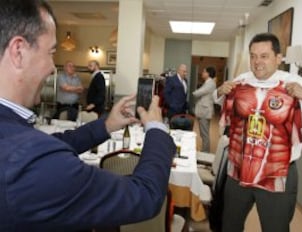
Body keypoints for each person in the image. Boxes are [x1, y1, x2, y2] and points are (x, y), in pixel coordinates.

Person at [0, 1, 176, 231]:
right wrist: (157, 129)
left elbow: (51, 146)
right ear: (19, 52)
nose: (53, 68)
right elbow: (144, 195)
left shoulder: (15, 137)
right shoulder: (31, 160)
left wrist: (107, 125)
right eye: (51, 52)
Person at [213, 32, 302, 232]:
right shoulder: (242, 80)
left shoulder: (294, 84)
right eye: (253, 56)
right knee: (229, 226)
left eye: (264, 56)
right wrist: (219, 92)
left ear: (279, 58)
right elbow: (218, 99)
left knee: (275, 228)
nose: (257, 62)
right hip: (238, 171)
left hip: (277, 175)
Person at [192, 67, 217, 152]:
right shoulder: (208, 82)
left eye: (204, 71)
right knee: (203, 134)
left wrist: (194, 92)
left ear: (208, 73)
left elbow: (198, 93)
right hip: (203, 111)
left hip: (205, 112)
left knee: (204, 134)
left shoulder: (210, 83)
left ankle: (205, 153)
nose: (202, 73)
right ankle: (204, 150)